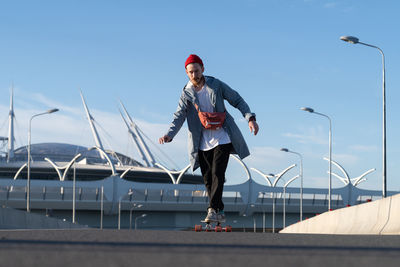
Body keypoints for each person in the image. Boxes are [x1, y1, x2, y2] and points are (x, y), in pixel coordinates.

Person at [159, 54, 259, 223]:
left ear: (203, 69)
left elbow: (237, 99)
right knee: (207, 178)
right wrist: (170, 134)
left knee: (218, 173)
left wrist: (250, 118)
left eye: (196, 71)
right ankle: (219, 210)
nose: (194, 75)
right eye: (190, 72)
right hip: (202, 141)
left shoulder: (216, 85)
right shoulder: (186, 93)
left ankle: (212, 209)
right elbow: (179, 115)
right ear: (186, 73)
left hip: (223, 136)